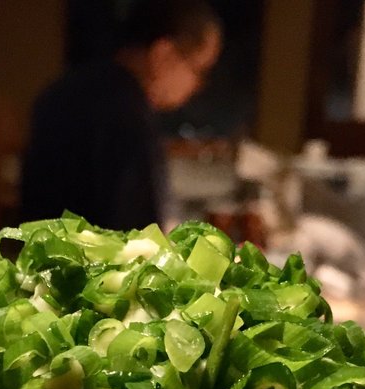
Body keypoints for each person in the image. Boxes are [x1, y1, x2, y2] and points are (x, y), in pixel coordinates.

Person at [19, 0, 222, 230]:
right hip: (89, 262)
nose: (198, 85)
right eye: (199, 69)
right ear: (163, 55)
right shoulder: (128, 115)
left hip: (40, 255)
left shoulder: (65, 90)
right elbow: (140, 238)